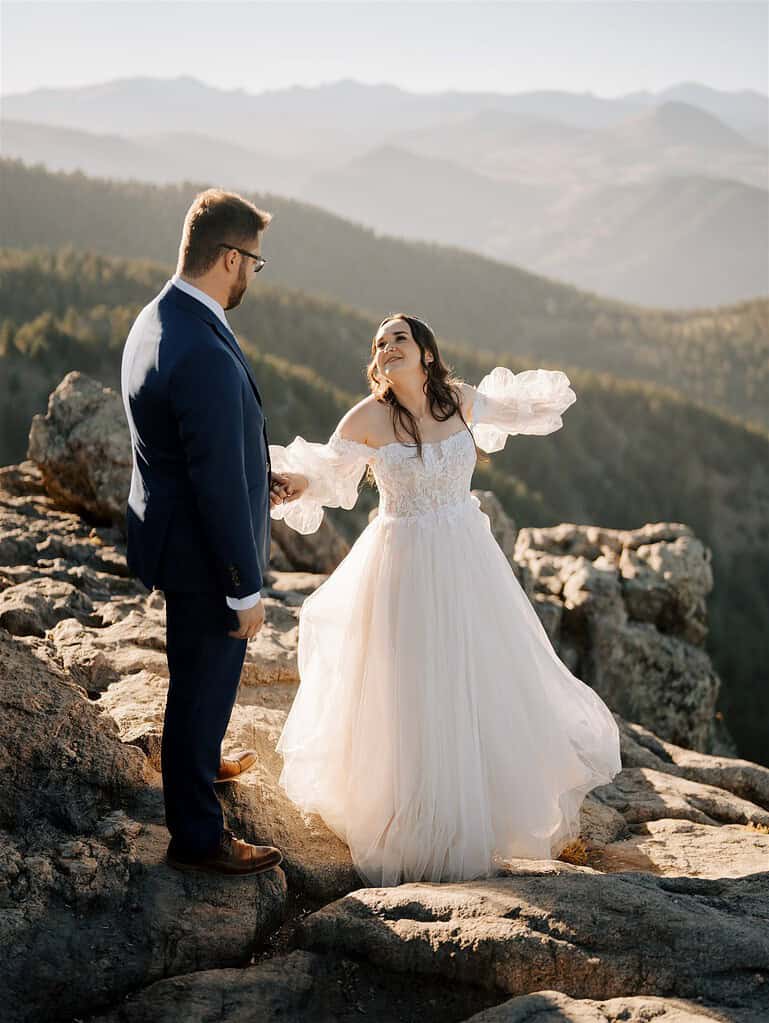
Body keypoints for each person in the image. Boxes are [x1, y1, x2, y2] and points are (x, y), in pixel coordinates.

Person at [269, 313, 622, 886]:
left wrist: (543, 398)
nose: (387, 348)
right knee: (410, 687)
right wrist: (292, 484)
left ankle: (470, 821)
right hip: (401, 561)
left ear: (427, 353)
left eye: (398, 339)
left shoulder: (459, 400)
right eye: (379, 344)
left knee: (475, 675)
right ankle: (413, 827)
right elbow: (331, 476)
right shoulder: (368, 417)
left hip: (465, 557)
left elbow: (518, 413)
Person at [120, 188, 287, 876]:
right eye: (253, 260)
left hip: (170, 532)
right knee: (201, 679)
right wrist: (244, 588)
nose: (253, 273)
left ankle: (199, 759)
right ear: (227, 257)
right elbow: (214, 480)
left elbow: (199, 444)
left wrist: (259, 470)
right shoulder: (204, 349)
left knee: (197, 679)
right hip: (203, 554)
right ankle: (198, 836)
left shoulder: (162, 316)